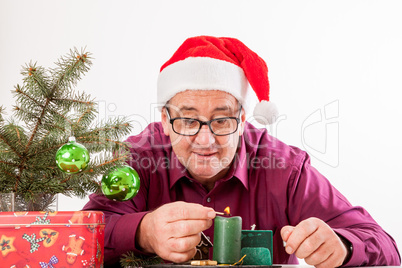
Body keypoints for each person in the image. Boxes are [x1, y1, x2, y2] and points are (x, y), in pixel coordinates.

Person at [83, 36, 400, 267]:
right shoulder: (139, 158)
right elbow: (79, 240)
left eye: (222, 120)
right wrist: (143, 232)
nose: (205, 141)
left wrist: (342, 247)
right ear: (165, 120)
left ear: (243, 118)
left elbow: (384, 245)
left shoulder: (285, 169)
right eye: (189, 120)